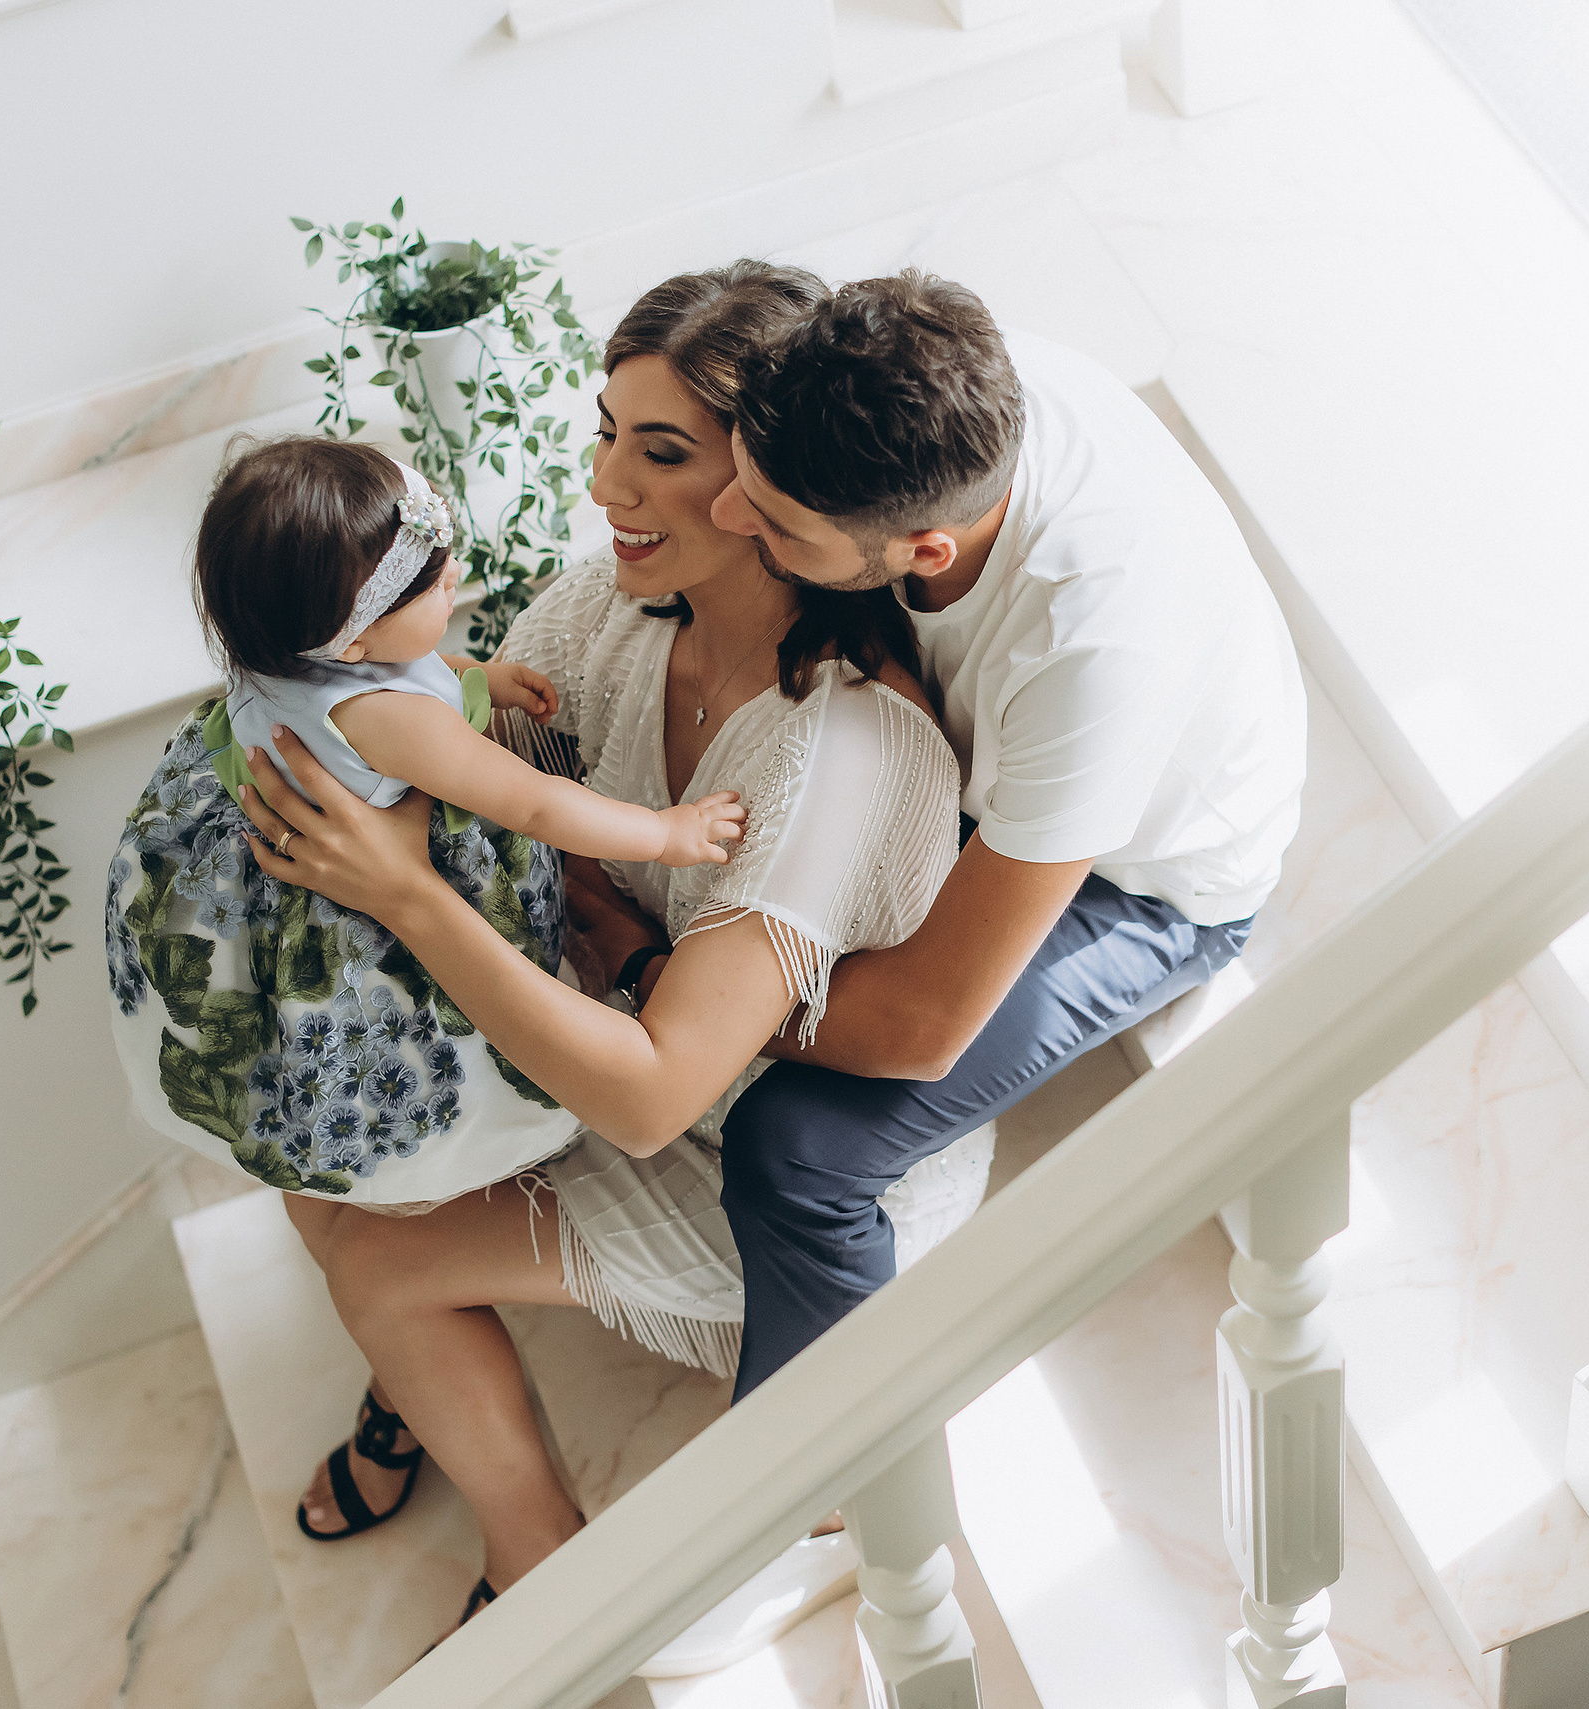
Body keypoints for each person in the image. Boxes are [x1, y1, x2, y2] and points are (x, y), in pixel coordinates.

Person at [235, 265, 985, 1645]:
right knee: (305, 1163)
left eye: (661, 454)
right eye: (605, 435)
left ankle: (541, 1570)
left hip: (753, 1155)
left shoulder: (834, 752)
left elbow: (654, 1094)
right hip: (629, 1040)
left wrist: (411, 896)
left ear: (764, 485)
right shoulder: (610, 613)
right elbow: (484, 790)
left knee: (381, 1263)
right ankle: (420, 1380)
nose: (605, 489)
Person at [612, 268, 1311, 1396]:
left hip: (1146, 879)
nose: (730, 516)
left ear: (925, 551)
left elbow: (922, 1026)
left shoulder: (1097, 653)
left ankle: (823, 1454)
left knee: (797, 1148)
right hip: (1001, 765)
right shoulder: (914, 380)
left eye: (774, 521)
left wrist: (646, 972)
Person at [104, 439, 747, 1213]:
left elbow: (409, 666)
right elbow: (536, 803)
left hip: (255, 859)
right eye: (430, 584)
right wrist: (665, 833)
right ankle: (444, 1166)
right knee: (439, 1033)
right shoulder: (388, 719)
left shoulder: (292, 648)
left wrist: (480, 679)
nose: (453, 577)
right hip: (365, 916)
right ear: (354, 641)